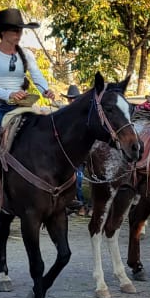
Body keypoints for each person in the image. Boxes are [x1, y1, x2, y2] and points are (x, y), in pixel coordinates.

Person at [0, 8, 55, 217]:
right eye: (14, 31)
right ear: (2, 32)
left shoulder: (26, 53)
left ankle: (54, 187)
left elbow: (36, 75)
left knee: (49, 133)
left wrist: (45, 89)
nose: (18, 35)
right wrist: (9, 93)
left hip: (22, 106)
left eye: (20, 31)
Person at [65, 84, 88, 215]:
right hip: (66, 155)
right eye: (70, 98)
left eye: (74, 98)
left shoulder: (83, 115)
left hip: (79, 155)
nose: (72, 100)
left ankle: (81, 205)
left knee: (78, 181)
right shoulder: (65, 114)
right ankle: (69, 204)